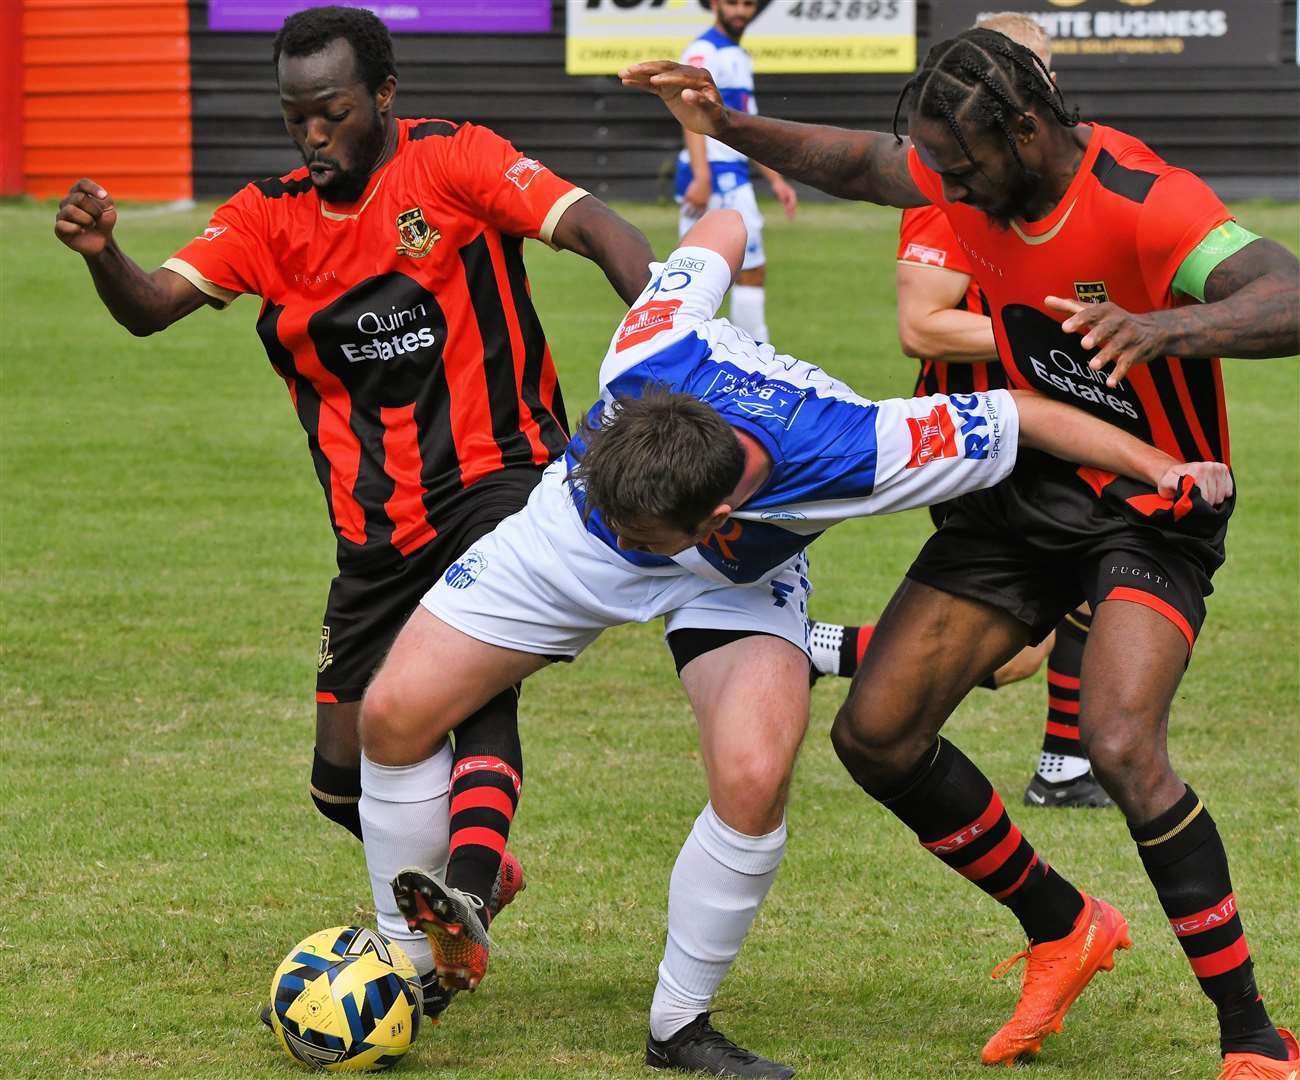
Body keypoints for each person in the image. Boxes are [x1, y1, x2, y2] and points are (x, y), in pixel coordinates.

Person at [357, 208, 1229, 1079]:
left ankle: (679, 1026)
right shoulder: (645, 346)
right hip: (563, 538)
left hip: (737, 580)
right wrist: (703, 292)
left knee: (753, 774)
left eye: (652, 535)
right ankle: (411, 967)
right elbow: (726, 221)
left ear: (719, 515)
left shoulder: (860, 446)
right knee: (393, 717)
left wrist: (1160, 469)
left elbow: (1024, 413)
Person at [622, 26, 1300, 1077]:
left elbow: (1286, 292)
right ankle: (1063, 925)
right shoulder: (961, 176)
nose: (942, 190)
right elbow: (854, 161)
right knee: (877, 736)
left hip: (1149, 501)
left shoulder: (1144, 199)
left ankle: (1252, 1034)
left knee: (1119, 743)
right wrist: (727, 124)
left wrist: (1162, 330)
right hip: (1015, 493)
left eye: (961, 167)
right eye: (932, 168)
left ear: (1025, 129)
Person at [53, 3, 653, 1016]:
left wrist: (666, 343)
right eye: (295, 119)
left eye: (330, 113)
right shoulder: (265, 216)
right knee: (341, 781)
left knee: (462, 691)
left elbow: (598, 228)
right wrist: (103, 253)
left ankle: (457, 896)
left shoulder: (452, 162)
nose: (313, 136)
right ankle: (482, 882)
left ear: (380, 95)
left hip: (499, 480)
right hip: (374, 532)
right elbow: (154, 305)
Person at [809, 12, 1112, 811]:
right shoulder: (950, 173)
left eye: (1042, 75)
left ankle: (1063, 768)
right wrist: (1057, 332)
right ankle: (814, 645)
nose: (1039, 92)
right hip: (980, 436)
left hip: (1042, 417)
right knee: (1023, 638)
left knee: (1064, 616)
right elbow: (923, 325)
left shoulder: (1053, 166)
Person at [674, 0, 797, 342]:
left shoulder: (739, 56)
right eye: (733, 3)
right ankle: (755, 355)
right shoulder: (703, 51)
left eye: (747, 4)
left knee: (704, 274)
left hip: (731, 175)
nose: (741, 11)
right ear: (714, 4)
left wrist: (776, 179)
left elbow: (747, 128)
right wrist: (702, 175)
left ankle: (735, 354)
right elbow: (689, 114)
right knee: (735, 273)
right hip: (717, 178)